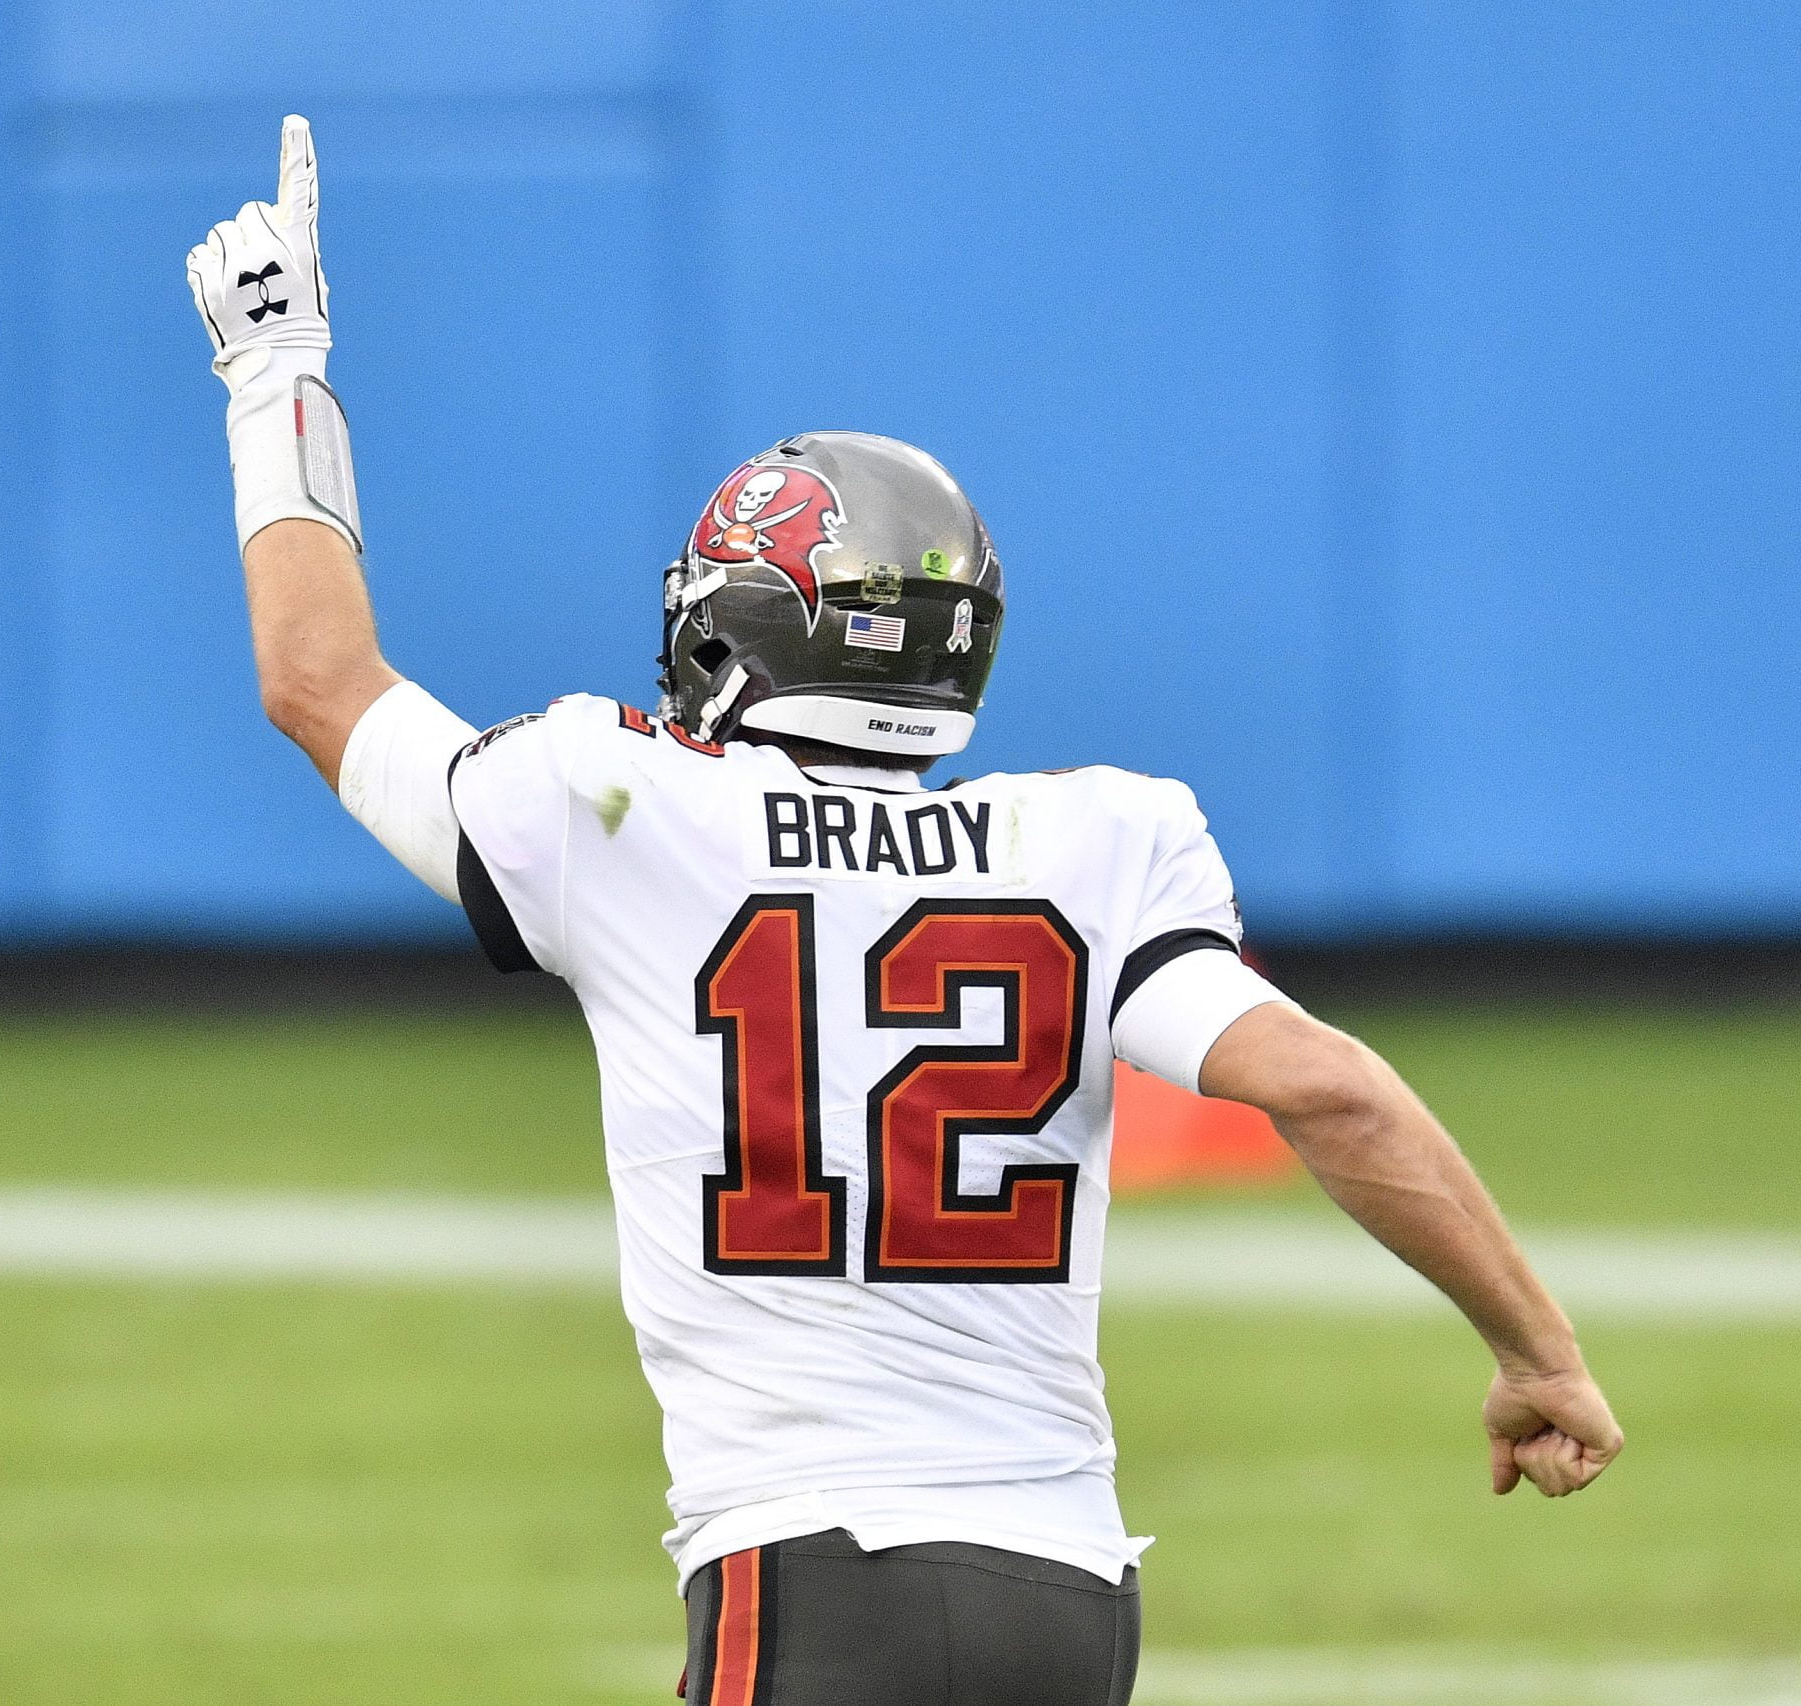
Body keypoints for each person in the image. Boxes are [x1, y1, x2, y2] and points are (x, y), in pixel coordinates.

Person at [188, 116, 1622, 1706]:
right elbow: (1329, 1086)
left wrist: (275, 377)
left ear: (734, 627)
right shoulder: (1101, 839)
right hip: (1070, 1593)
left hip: (812, 1568)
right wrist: (1535, 1345)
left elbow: (318, 680)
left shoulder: (619, 803)